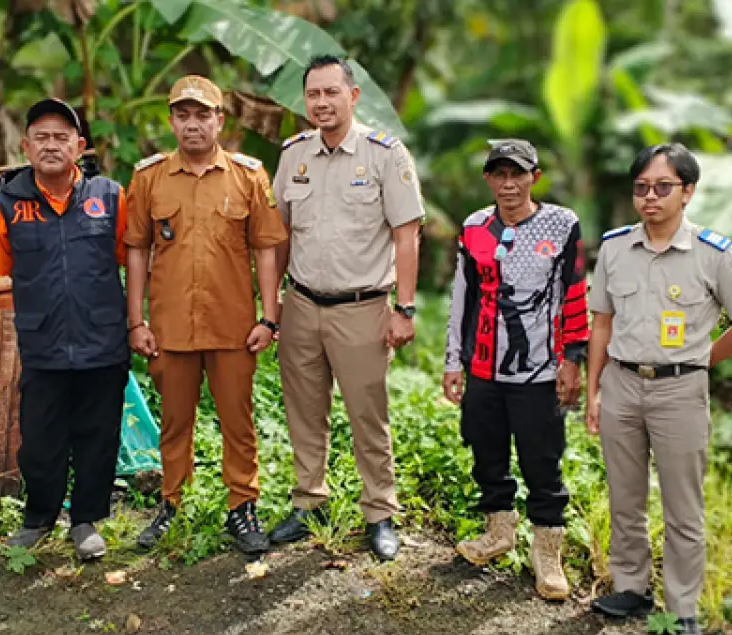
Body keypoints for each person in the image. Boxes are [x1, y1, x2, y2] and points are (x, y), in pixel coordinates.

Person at [586, 143, 732, 635]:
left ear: (687, 192)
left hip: (680, 391)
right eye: (641, 187)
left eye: (663, 187)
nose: (650, 197)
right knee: (625, 495)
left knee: (683, 507)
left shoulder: (713, 253)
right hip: (621, 383)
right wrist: (594, 390)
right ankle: (631, 587)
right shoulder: (615, 248)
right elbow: (602, 323)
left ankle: (682, 610)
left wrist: (702, 360)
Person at [269, 55, 425, 561]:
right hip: (301, 304)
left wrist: (404, 308)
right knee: (303, 410)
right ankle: (308, 501)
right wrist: (271, 301)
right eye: (313, 94)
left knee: (366, 413)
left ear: (352, 96)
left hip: (361, 307)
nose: (322, 102)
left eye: (331, 92)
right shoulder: (294, 154)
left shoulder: (385, 155)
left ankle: (380, 511)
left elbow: (407, 234)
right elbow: (280, 234)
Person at [124, 75, 287, 555]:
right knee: (174, 422)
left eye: (202, 115)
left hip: (233, 326)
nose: (192, 125)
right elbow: (136, 250)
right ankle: (172, 504)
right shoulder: (149, 178)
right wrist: (136, 321)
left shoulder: (247, 176)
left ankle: (243, 505)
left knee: (238, 421)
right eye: (183, 115)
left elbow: (266, 249)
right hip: (170, 326)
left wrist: (269, 317)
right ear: (172, 121)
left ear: (219, 120)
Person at [443, 139, 589, 600]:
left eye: (518, 174)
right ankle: (498, 531)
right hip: (483, 368)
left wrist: (573, 359)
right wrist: (453, 360)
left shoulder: (561, 224)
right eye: (500, 174)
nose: (509, 184)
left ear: (534, 178)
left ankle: (547, 553)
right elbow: (462, 296)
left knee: (541, 459)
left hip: (540, 371)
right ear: (488, 179)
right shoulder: (474, 228)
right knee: (486, 452)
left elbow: (574, 291)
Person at [0, 98, 130, 561]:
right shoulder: (6, 203)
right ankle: (38, 518)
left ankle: (86, 520)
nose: (51, 145)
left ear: (80, 146)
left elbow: (127, 258)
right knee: (40, 438)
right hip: (43, 341)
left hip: (102, 338)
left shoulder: (110, 196)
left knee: (98, 434)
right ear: (26, 147)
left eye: (61, 137)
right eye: (42, 137)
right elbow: (5, 267)